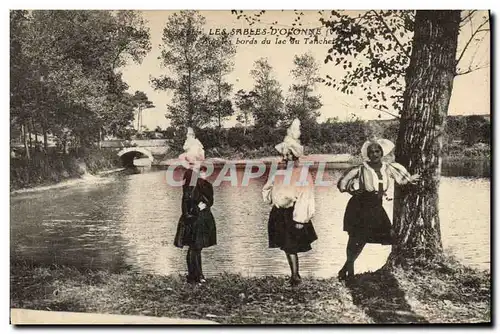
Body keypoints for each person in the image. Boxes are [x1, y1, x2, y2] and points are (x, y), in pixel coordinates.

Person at [336, 138, 420, 281]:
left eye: (377, 151)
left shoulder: (388, 167)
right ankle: (349, 272)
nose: (374, 154)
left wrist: (411, 179)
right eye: (371, 152)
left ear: (382, 152)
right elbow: (342, 184)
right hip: (359, 205)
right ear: (367, 154)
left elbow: (401, 180)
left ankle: (344, 270)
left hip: (376, 206)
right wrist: (352, 191)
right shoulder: (361, 168)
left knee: (384, 235)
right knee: (356, 239)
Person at [262, 119, 318, 286]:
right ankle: (294, 275)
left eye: (289, 155)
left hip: (293, 213)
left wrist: (301, 219)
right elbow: (267, 188)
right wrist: (273, 198)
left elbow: (306, 196)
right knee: (286, 245)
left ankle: (295, 276)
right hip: (279, 213)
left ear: (295, 156)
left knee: (290, 245)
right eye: (284, 154)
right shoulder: (279, 172)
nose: (286, 158)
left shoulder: (302, 173)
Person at [173, 128, 216, 284]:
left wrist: (204, 202)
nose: (198, 161)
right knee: (195, 246)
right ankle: (194, 276)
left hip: (195, 213)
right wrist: (198, 206)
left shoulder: (195, 173)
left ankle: (197, 275)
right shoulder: (191, 174)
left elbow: (196, 193)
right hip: (194, 214)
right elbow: (189, 195)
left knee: (196, 246)